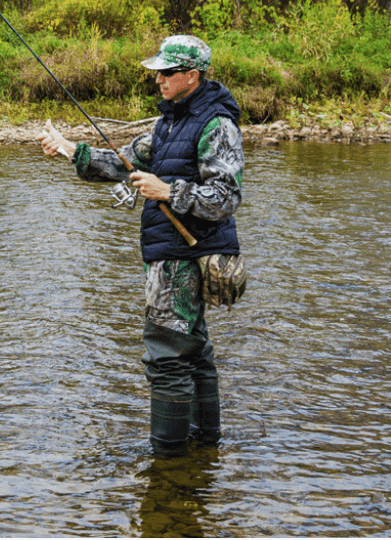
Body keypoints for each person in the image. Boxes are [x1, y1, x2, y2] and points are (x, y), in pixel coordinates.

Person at [38, 35, 245, 458]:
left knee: (168, 356)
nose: (159, 80)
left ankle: (167, 458)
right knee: (194, 351)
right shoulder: (168, 122)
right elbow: (122, 163)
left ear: (192, 76)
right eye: (157, 72)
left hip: (187, 256)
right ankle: (205, 447)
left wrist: (169, 191)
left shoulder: (215, 124)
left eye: (167, 73)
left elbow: (226, 197)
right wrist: (68, 150)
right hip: (171, 252)